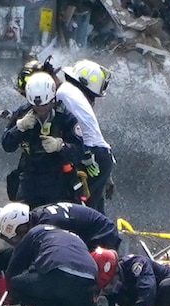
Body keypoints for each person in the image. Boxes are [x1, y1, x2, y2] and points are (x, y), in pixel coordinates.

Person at [1, 72, 85, 207]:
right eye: (36, 106)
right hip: (29, 177)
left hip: (58, 179)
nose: (40, 109)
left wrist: (60, 146)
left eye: (44, 105)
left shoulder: (64, 117)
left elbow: (79, 151)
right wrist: (19, 127)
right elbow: (7, 145)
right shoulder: (23, 112)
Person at [6, 224, 98, 306]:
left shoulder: (35, 232)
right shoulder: (74, 237)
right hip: (88, 282)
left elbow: (14, 268)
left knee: (16, 283)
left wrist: (12, 300)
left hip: (59, 275)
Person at [57, 60, 115, 214]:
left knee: (82, 211)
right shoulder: (71, 94)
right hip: (100, 155)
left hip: (91, 155)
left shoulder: (64, 93)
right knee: (94, 211)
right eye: (92, 97)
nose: (92, 101)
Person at [95, 249, 170, 306]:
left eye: (111, 283)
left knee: (168, 286)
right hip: (159, 303)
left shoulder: (137, 263)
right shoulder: (117, 286)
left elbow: (147, 287)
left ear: (116, 271)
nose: (112, 288)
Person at [0, 201, 121, 250]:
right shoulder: (38, 215)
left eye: (19, 234)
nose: (20, 238)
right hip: (92, 233)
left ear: (23, 226)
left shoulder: (49, 224)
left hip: (103, 235)